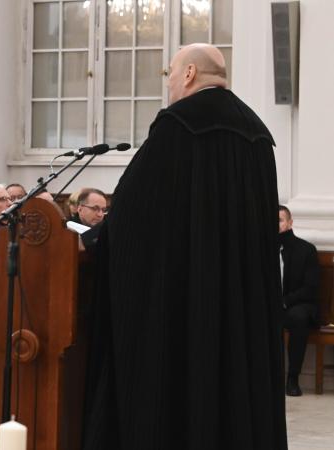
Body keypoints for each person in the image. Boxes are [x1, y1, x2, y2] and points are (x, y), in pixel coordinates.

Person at [82, 43, 287, 450]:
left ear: (190, 73)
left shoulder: (178, 125)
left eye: (171, 73)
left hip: (186, 291)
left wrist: (96, 240)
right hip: (240, 295)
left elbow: (132, 212)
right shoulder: (258, 134)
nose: (170, 81)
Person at [279, 205, 320, 397]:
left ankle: (292, 379)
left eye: (279, 220)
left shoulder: (306, 250)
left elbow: (310, 288)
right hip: (274, 307)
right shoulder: (260, 250)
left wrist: (285, 301)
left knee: (298, 317)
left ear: (290, 222)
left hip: (298, 305)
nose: (275, 225)